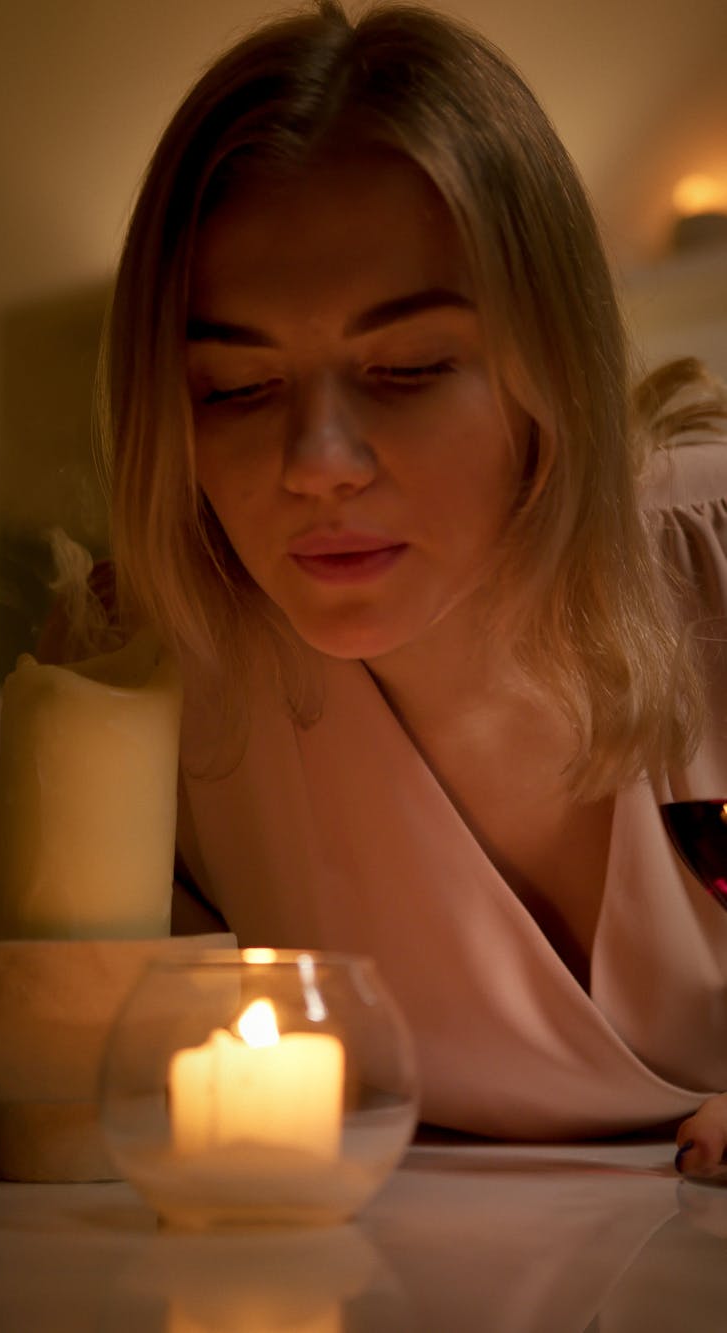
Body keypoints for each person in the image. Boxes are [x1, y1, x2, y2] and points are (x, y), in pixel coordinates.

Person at [47, 1, 727, 1169]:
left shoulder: (708, 558)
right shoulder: (140, 696)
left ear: (546, 362)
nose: (317, 464)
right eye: (238, 389)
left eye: (406, 369)